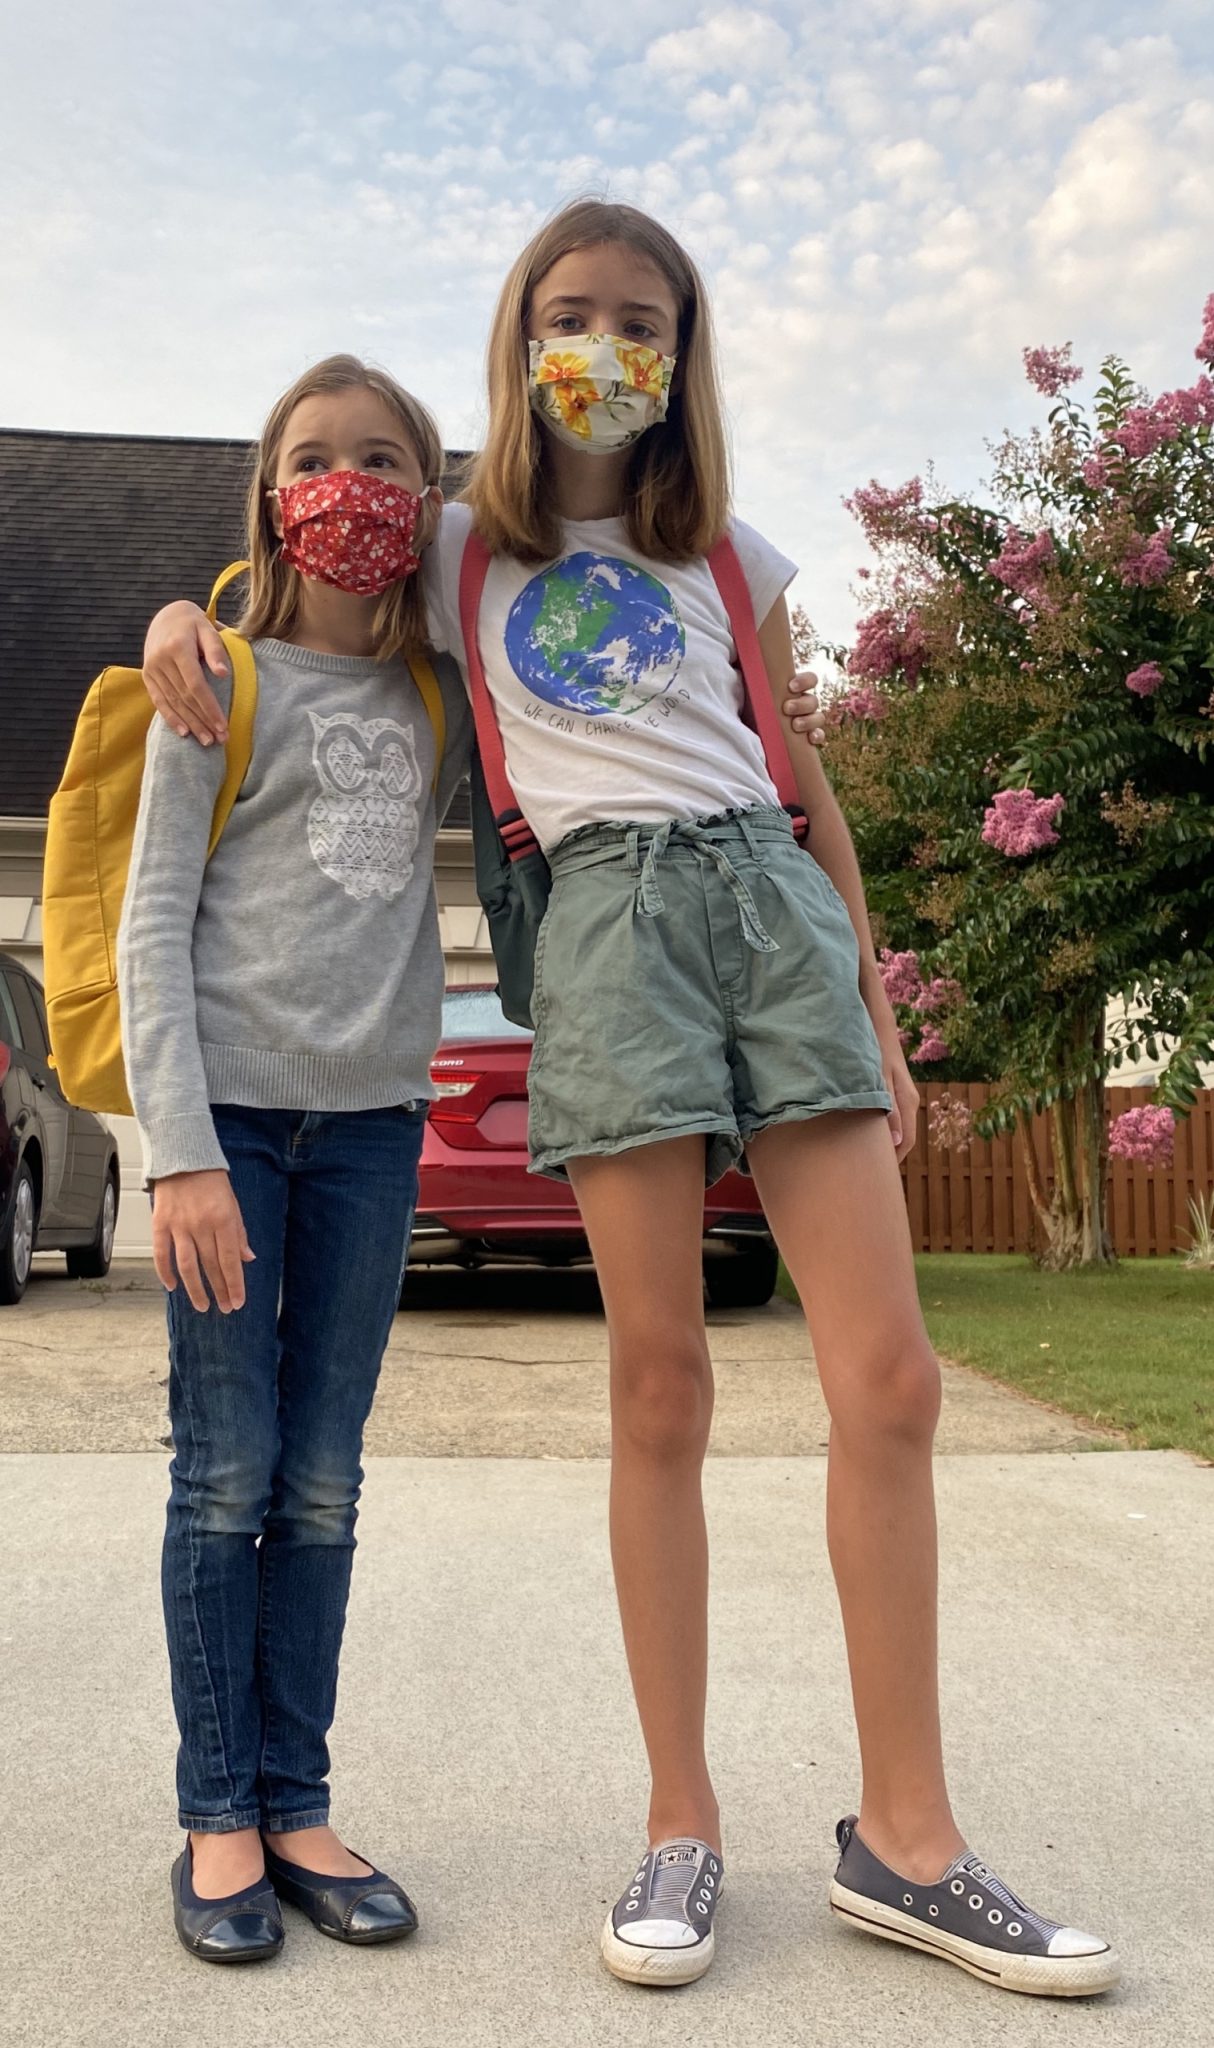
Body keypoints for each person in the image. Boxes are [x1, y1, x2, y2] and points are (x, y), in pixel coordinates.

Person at [138, 205, 1118, 2000]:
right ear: (520, 342)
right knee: (658, 1381)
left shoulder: (730, 552)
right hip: (604, 925)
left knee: (889, 1378)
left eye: (640, 319)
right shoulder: (457, 544)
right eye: (570, 314)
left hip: (770, 912)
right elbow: (290, 577)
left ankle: (908, 1839)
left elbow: (799, 771)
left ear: (683, 350)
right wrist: (168, 623)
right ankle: (680, 1819)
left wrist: (875, 997)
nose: (604, 345)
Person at [120, 354, 471, 1964]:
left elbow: (544, 598)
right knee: (228, 1470)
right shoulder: (215, 682)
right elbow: (150, 929)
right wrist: (178, 1152)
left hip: (371, 1138)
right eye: (318, 456)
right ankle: (217, 1813)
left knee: (323, 1480)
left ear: (425, 495)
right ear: (272, 497)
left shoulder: (442, 696)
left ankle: (297, 1802)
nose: (351, 484)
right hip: (233, 1139)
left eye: (384, 459)